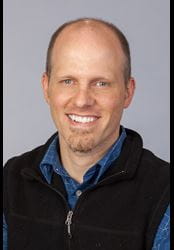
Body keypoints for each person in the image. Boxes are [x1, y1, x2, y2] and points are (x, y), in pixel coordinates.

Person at [3, 18, 170, 250]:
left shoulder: (164, 192)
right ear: (46, 88)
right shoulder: (11, 180)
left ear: (127, 92)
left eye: (101, 83)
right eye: (68, 81)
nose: (82, 100)